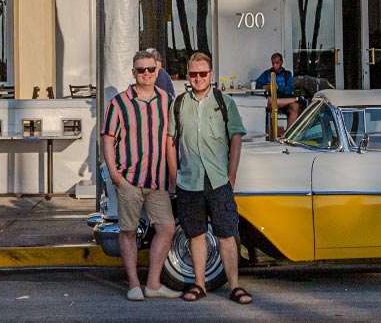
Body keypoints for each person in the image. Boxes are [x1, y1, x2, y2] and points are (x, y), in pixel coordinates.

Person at [171, 51, 252, 304]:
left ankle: (235, 287)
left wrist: (232, 175)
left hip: (218, 180)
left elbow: (236, 137)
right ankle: (199, 284)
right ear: (188, 76)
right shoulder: (179, 104)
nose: (198, 78)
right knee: (195, 234)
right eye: (193, 74)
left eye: (202, 74)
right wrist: (174, 176)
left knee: (227, 234)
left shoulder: (224, 102)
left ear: (211, 75)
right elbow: (169, 141)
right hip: (189, 181)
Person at [101, 50, 181, 301]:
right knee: (128, 231)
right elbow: (108, 138)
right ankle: (134, 284)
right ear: (133, 72)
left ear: (157, 71)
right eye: (141, 70)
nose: (146, 74)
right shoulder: (119, 102)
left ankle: (153, 283)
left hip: (157, 181)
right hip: (129, 179)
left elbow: (171, 140)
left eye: (150, 69)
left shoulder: (167, 100)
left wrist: (172, 177)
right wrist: (115, 174)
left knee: (166, 228)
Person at [251, 53, 299, 131]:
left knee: (295, 107)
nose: (275, 65)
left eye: (277, 63)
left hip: (285, 100)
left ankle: (287, 134)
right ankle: (296, 99)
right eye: (273, 63)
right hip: (273, 100)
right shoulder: (267, 74)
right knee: (270, 101)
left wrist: (278, 88)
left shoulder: (287, 74)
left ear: (281, 62)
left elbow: (290, 89)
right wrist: (265, 87)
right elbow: (256, 84)